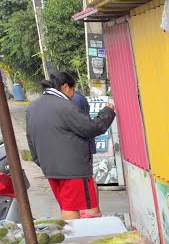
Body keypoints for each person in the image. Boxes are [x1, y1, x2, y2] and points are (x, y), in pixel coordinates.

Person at [24, 71, 115, 221]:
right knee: (70, 209)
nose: (73, 94)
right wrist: (108, 112)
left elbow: (30, 139)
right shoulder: (64, 105)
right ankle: (73, 242)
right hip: (71, 169)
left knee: (66, 206)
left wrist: (42, 163)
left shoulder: (33, 107)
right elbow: (91, 128)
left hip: (50, 167)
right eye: (73, 90)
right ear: (65, 87)